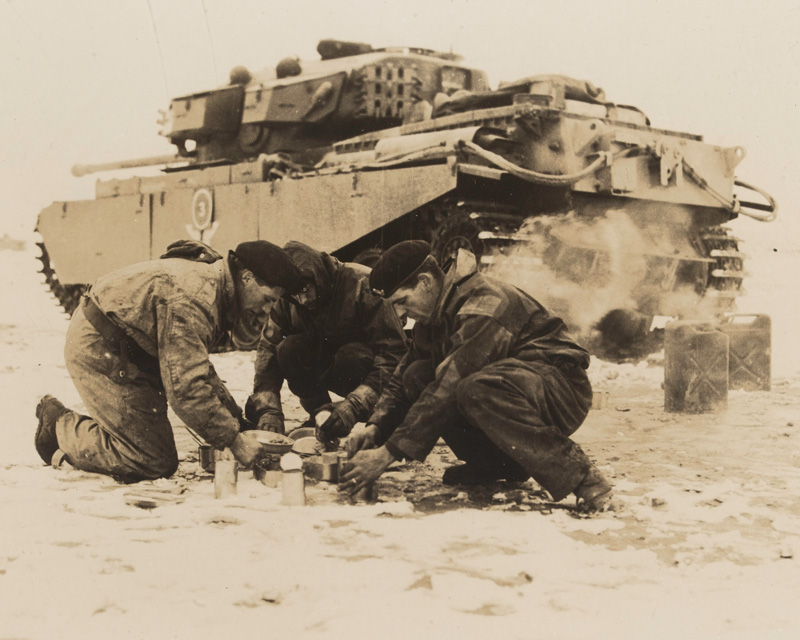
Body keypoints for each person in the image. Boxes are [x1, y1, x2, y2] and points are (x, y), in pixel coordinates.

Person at [340, 240, 614, 512]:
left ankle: (584, 479)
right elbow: (401, 379)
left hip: (560, 388)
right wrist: (375, 427)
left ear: (424, 282)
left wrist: (387, 454)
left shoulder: (483, 303)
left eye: (401, 301)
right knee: (417, 375)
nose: (400, 314)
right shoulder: (433, 315)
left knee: (474, 388)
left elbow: (449, 385)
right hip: (518, 385)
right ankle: (497, 466)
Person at [34, 239, 303, 482]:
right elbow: (185, 389)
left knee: (155, 447)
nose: (267, 309)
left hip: (132, 350)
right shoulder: (196, 299)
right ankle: (58, 426)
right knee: (151, 461)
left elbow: (197, 369)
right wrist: (234, 440)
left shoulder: (214, 286)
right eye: (267, 299)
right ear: (246, 278)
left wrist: (237, 422)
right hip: (101, 348)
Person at [246, 241, 407, 445]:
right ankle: (320, 418)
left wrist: (354, 405)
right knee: (288, 349)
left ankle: (376, 422)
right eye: (295, 293)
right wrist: (268, 410)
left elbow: (395, 354)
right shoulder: (287, 299)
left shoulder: (362, 283)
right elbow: (267, 353)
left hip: (365, 373)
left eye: (305, 288)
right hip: (326, 365)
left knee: (351, 356)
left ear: (319, 275)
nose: (303, 300)